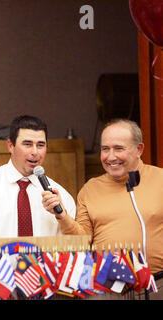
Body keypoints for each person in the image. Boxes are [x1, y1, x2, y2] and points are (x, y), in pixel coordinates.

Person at [43, 119, 162, 299]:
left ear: (139, 149)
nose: (110, 156)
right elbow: (82, 241)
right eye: (105, 149)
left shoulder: (160, 180)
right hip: (106, 287)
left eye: (118, 148)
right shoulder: (90, 189)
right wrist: (62, 215)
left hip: (157, 284)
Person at [0, 115, 76, 239]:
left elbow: (68, 249)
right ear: (10, 146)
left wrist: (61, 214)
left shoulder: (61, 197)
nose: (35, 152)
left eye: (40, 145)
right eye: (27, 144)